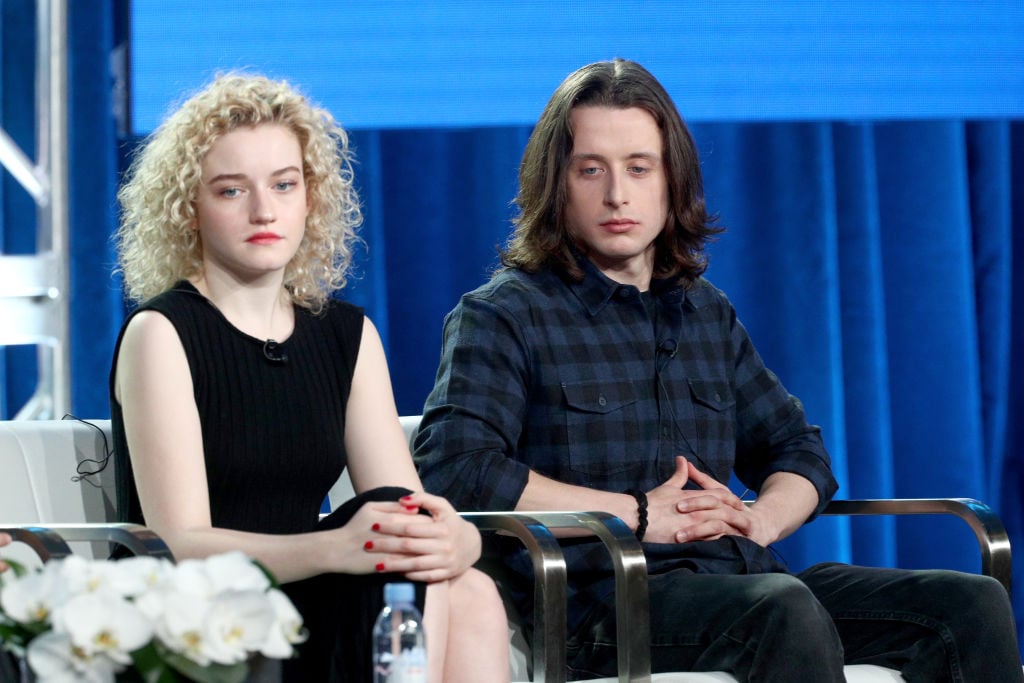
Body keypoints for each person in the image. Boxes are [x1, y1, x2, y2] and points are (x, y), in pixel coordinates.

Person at [414, 59, 1022, 682]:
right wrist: (635, 512)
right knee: (783, 610)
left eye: (638, 168)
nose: (617, 194)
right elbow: (457, 468)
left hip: (743, 584)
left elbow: (799, 452)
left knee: (966, 604)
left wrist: (760, 519)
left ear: (671, 181)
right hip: (599, 608)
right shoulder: (504, 314)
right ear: (557, 183)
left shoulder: (704, 309)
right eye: (590, 169)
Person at [111, 73, 509, 682]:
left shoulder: (345, 334)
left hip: (309, 597)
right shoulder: (161, 333)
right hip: (198, 618)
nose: (264, 210)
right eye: (230, 191)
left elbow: (407, 510)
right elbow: (179, 544)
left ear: (310, 198)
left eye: (283, 184)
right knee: (419, 564)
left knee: (470, 585)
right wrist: (332, 548)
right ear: (189, 208)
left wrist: (460, 541)